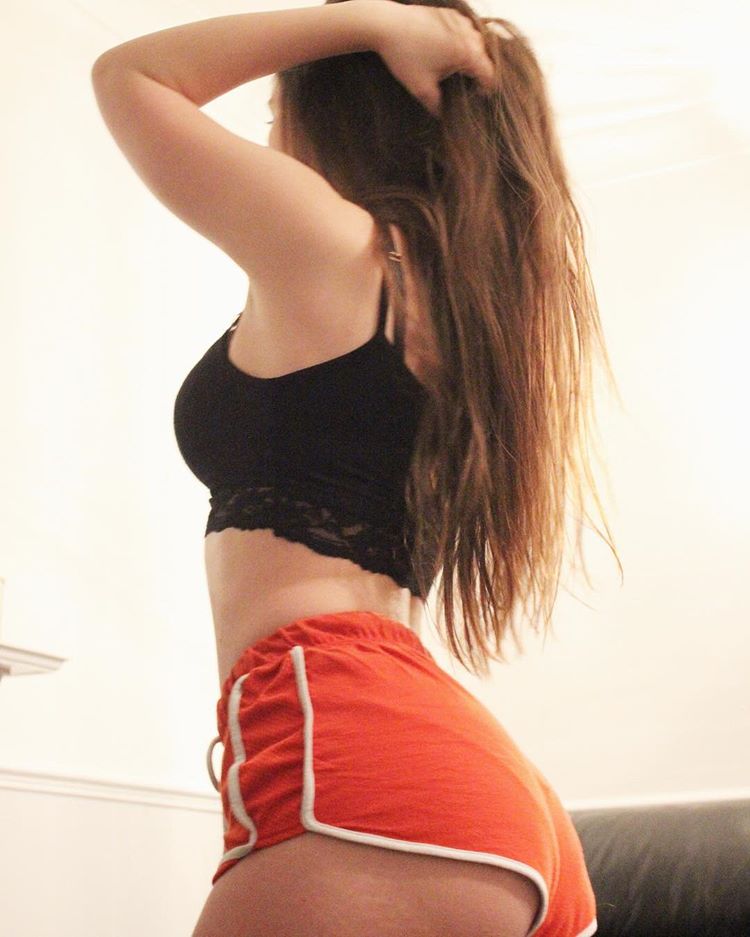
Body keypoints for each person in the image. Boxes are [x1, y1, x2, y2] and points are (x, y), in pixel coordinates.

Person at [92, 1, 620, 934]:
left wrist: (368, 20)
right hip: (484, 803)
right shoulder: (472, 312)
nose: (268, 132)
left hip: (360, 767)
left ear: (335, 110)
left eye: (277, 108)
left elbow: (131, 76)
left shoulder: (338, 247)